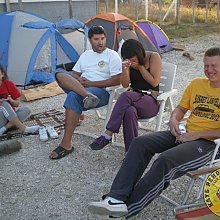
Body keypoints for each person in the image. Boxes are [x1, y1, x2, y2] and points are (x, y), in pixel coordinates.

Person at [88, 47, 220, 219]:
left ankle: (127, 209)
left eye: (214, 66)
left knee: (165, 160)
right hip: (183, 133)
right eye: (206, 65)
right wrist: (174, 120)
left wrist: (197, 135)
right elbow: (180, 109)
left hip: (209, 144)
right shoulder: (196, 84)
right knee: (140, 143)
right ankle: (115, 199)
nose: (209, 70)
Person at [49, 25, 122, 160]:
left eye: (102, 38)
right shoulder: (86, 55)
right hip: (84, 89)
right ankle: (85, 95)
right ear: (90, 40)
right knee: (59, 73)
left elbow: (117, 80)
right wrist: (79, 80)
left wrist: (91, 84)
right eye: (96, 39)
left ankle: (66, 144)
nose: (100, 42)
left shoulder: (112, 55)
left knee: (72, 96)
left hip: (101, 92)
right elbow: (75, 73)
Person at [89, 39, 161, 152]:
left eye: (133, 60)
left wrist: (140, 67)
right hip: (134, 98)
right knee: (129, 112)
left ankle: (108, 134)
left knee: (126, 95)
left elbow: (154, 82)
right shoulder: (129, 63)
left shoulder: (153, 57)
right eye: (128, 60)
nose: (132, 62)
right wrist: (125, 70)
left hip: (150, 101)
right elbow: (125, 84)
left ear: (139, 54)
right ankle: (131, 153)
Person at [0, 65, 39, 135]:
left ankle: (4, 128)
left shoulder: (9, 84)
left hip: (10, 116)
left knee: (27, 109)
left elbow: (17, 104)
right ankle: (24, 128)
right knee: (3, 103)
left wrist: (11, 101)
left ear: (2, 74)